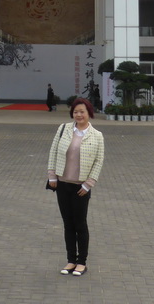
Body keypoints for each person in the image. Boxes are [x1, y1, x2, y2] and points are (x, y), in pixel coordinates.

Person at [46, 97, 105, 276]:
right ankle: (71, 260)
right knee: (68, 224)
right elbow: (53, 151)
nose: (78, 115)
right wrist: (52, 176)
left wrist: (89, 184)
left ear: (89, 113)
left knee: (80, 224)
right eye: (76, 111)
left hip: (81, 187)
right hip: (62, 184)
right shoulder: (63, 129)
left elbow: (98, 161)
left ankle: (82, 262)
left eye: (82, 112)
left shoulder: (97, 136)